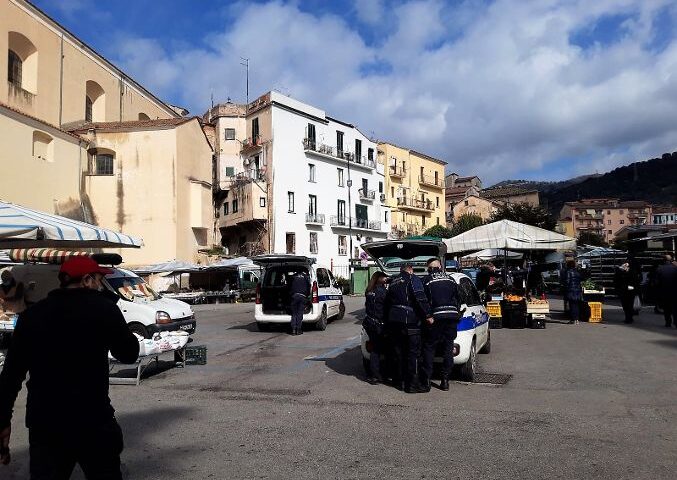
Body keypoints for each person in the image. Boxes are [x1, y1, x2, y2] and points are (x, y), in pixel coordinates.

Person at [0, 256, 139, 478]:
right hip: (93, 422)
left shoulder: (31, 317)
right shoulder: (103, 310)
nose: (99, 285)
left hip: (46, 426)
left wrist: (3, 422)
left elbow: (11, 376)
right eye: (98, 280)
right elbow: (129, 353)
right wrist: (108, 303)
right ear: (86, 280)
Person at [383, 263, 432, 394]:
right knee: (413, 353)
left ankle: (400, 381)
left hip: (394, 321)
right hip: (409, 320)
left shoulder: (393, 282)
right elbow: (420, 297)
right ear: (410, 269)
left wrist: (387, 321)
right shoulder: (413, 279)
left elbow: (386, 303)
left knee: (399, 352)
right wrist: (428, 315)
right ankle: (413, 385)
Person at [421, 258, 461, 392]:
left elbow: (423, 300)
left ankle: (427, 380)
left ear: (429, 268)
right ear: (440, 266)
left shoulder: (427, 280)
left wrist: (427, 315)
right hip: (451, 317)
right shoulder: (451, 279)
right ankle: (445, 381)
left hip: (435, 317)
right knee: (448, 349)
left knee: (429, 348)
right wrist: (456, 313)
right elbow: (458, 297)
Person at [363, 272, 388, 384]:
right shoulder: (382, 292)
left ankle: (374, 375)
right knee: (379, 350)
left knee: (375, 350)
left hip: (369, 323)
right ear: (379, 279)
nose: (386, 279)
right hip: (379, 324)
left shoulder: (369, 291)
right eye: (384, 277)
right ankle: (377, 375)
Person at [656, 254, 677, 328]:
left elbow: (657, 282)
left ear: (663, 260)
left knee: (666, 308)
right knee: (675, 308)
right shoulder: (675, 268)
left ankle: (668, 322)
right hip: (675, 292)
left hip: (664, 292)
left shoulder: (660, 269)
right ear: (671, 260)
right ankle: (676, 322)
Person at [564, 259, 583, 324]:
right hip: (578, 290)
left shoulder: (568, 272)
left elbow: (567, 281)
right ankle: (577, 320)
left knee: (572, 305)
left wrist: (565, 288)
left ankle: (573, 319)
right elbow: (580, 281)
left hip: (571, 290)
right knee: (577, 305)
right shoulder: (577, 272)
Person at [290, 270, 309, 335]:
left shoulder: (293, 276)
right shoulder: (305, 277)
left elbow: (290, 286)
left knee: (294, 313)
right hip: (302, 296)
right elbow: (308, 287)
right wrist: (307, 296)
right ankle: (298, 330)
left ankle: (293, 330)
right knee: (299, 313)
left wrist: (291, 294)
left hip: (295, 296)